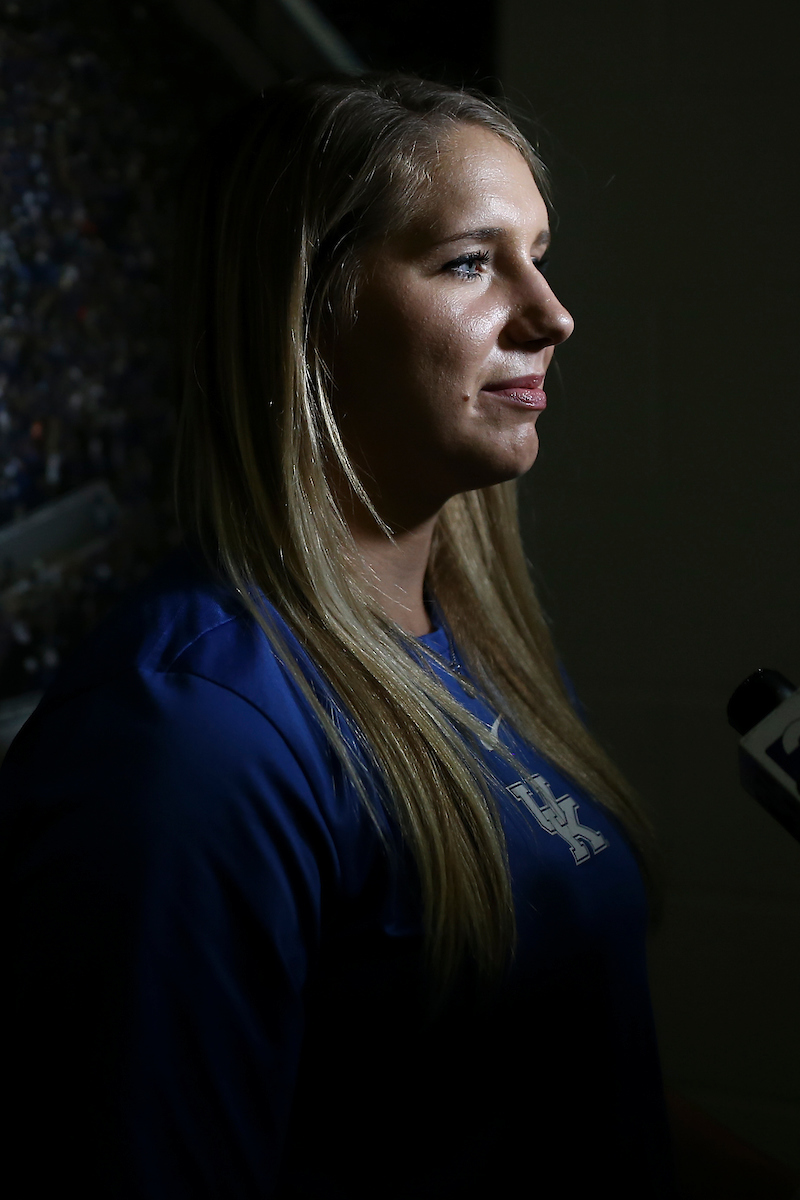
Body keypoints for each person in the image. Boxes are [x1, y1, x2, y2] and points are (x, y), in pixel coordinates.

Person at [0, 75, 676, 1197]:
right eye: (469, 262)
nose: (549, 313)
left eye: (537, 252)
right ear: (309, 312)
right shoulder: (191, 746)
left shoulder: (482, 643)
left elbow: (542, 1088)